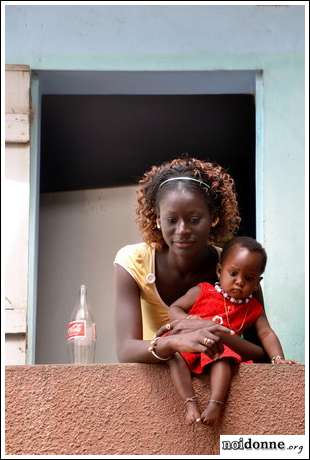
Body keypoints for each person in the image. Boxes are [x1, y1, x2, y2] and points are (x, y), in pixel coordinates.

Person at [114, 157, 269, 388]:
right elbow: (125, 349)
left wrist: (214, 332)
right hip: (156, 385)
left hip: (217, 382)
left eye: (194, 219)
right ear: (157, 219)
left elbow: (262, 355)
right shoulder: (133, 262)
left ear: (214, 218)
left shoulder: (234, 268)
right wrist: (176, 342)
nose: (182, 230)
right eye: (171, 220)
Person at [164, 236, 296, 426]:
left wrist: (278, 358)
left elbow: (266, 333)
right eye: (233, 273)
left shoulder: (253, 307)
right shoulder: (203, 291)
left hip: (216, 349)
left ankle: (215, 404)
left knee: (223, 357)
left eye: (249, 278)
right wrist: (187, 321)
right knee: (174, 355)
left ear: (258, 282)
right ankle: (190, 404)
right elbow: (174, 308)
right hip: (190, 343)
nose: (240, 282)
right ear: (219, 271)